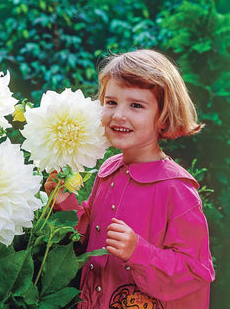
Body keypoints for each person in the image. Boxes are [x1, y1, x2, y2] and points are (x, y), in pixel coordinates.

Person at [44, 49, 215, 309]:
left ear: (164, 115)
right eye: (111, 102)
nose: (118, 115)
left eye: (136, 105)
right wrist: (64, 201)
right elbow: (87, 239)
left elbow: (195, 272)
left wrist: (139, 252)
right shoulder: (109, 170)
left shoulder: (176, 188)